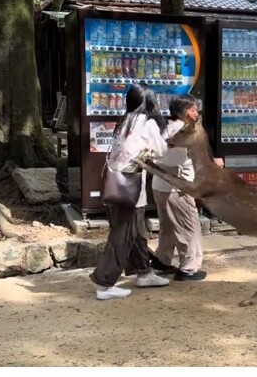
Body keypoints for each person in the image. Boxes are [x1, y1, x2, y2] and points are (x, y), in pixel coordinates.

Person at [89, 84, 171, 300]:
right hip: (131, 190)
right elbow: (161, 150)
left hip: (116, 185)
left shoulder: (125, 121)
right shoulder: (148, 123)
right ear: (149, 102)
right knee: (122, 236)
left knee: (136, 233)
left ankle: (144, 272)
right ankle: (104, 283)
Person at [151, 94, 207, 281]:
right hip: (178, 186)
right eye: (193, 109)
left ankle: (162, 260)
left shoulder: (166, 126)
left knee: (167, 226)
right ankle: (189, 268)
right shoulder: (184, 129)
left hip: (160, 184)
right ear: (183, 112)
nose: (196, 113)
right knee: (188, 226)